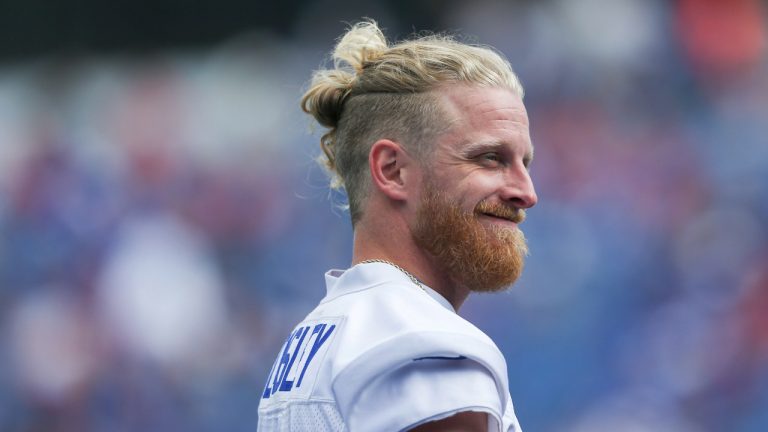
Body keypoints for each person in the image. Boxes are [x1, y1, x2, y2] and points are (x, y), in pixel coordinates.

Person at [258, 19, 537, 432]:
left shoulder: (320, 335)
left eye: (524, 163)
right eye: (489, 158)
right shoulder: (421, 339)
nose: (526, 192)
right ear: (393, 171)